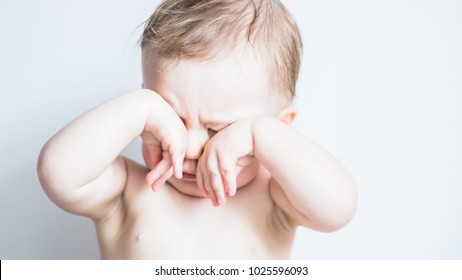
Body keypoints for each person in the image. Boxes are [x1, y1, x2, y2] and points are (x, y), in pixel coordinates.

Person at [37, 0, 357, 259]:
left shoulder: (276, 200)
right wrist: (140, 108)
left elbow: (339, 209)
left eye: (220, 131)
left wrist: (262, 134)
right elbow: (57, 172)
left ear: (277, 129)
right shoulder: (126, 192)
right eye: (171, 119)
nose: (190, 147)